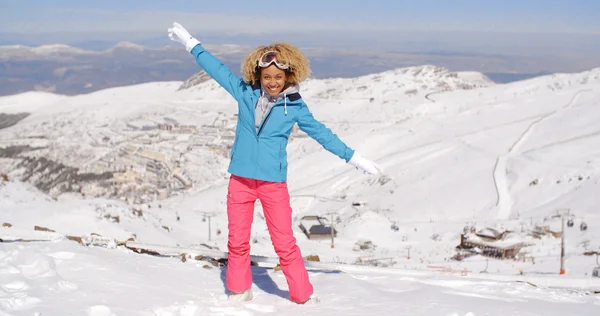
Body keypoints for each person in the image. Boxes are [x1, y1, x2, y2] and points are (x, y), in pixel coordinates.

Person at [167, 22, 382, 304]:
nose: (272, 82)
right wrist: (191, 43)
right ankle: (238, 290)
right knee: (237, 241)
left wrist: (353, 157)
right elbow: (216, 70)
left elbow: (322, 134)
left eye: (278, 77)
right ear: (258, 74)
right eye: (267, 76)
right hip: (240, 180)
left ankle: (303, 296)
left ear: (288, 75)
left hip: (272, 184)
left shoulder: (294, 107)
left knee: (284, 243)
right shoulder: (245, 93)